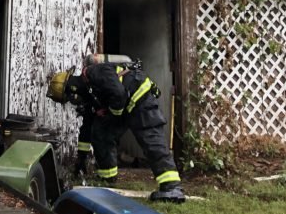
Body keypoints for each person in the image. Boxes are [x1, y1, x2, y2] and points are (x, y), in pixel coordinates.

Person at [48, 54, 185, 203]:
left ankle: (172, 188)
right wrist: (81, 160)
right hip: (124, 106)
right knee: (100, 132)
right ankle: (107, 179)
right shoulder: (89, 93)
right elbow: (87, 129)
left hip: (139, 98)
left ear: (72, 89)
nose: (72, 102)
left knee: (151, 140)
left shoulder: (93, 73)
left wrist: (110, 115)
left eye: (69, 98)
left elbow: (118, 93)